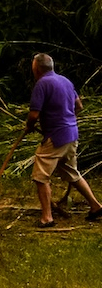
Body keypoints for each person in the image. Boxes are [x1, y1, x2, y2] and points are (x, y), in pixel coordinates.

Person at [25, 53, 102, 228]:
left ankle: (47, 217)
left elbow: (34, 114)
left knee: (40, 176)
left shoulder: (42, 84)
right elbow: (79, 106)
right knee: (71, 173)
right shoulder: (65, 81)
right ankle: (96, 206)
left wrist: (29, 126)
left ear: (36, 68)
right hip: (72, 134)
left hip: (56, 137)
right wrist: (67, 120)